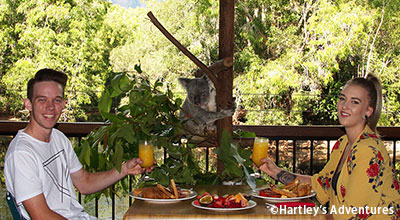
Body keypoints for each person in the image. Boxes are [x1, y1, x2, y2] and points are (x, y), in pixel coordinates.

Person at [4, 68, 153, 219]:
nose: (50, 107)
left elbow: (84, 183)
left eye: (56, 100)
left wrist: (124, 169)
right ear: (28, 104)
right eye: (42, 100)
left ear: (63, 104)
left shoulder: (58, 138)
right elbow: (41, 216)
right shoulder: (21, 153)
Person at [258, 74, 400, 219]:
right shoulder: (342, 143)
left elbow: (352, 214)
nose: (345, 106)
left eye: (355, 102)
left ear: (368, 111)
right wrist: (276, 172)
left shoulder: (368, 150)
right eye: (342, 98)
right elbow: (321, 185)